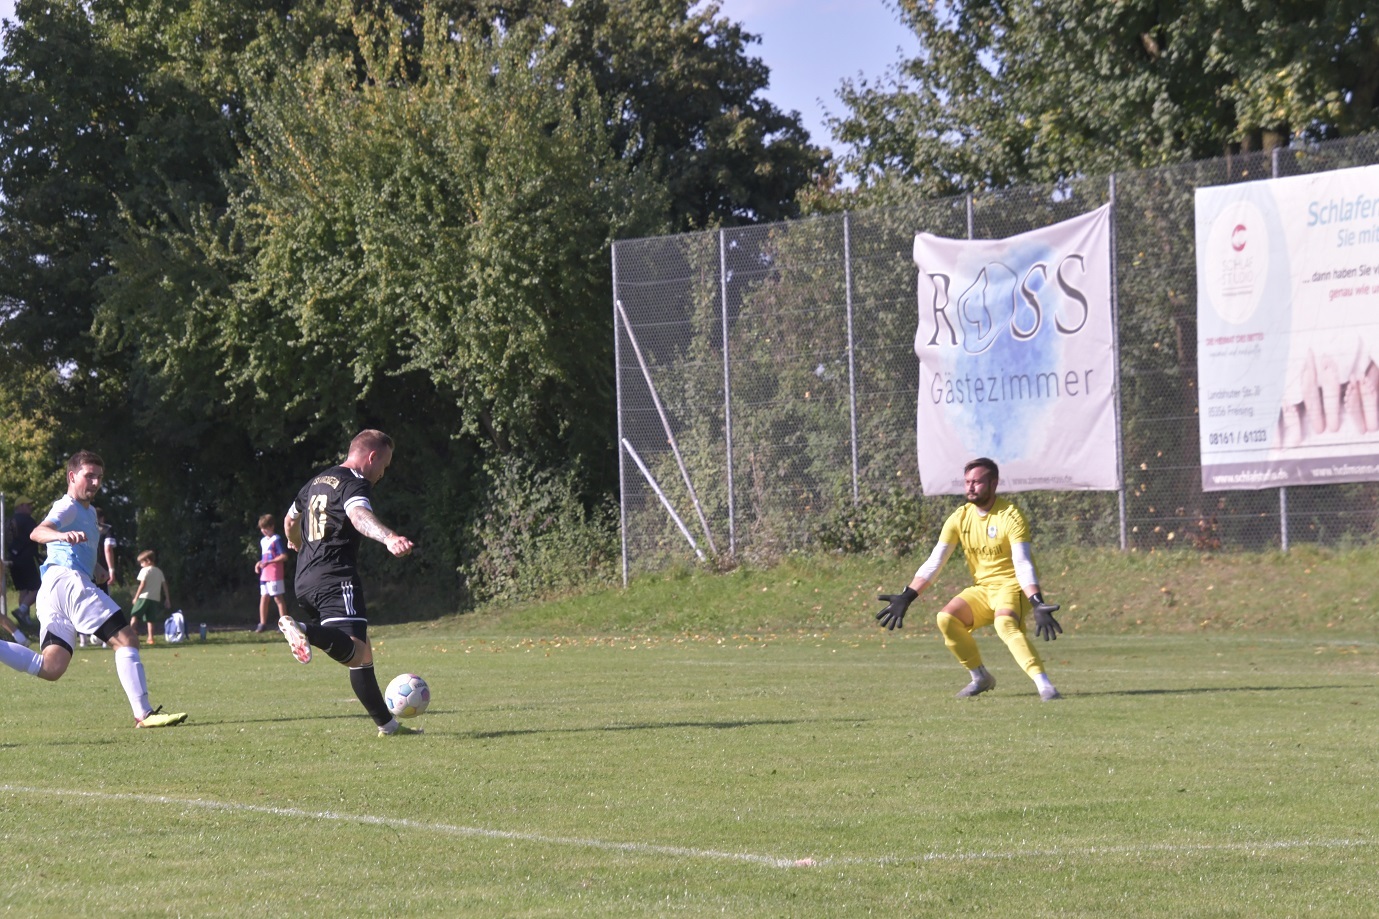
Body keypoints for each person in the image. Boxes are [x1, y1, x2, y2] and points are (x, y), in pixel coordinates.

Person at [0, 451, 186, 727]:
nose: (96, 482)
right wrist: (61, 535)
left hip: (51, 589)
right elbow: (38, 532)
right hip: (68, 582)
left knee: (51, 667)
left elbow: (76, 551)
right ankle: (144, 714)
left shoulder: (87, 513)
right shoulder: (69, 507)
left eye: (99, 477)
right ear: (72, 476)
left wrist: (97, 569)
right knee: (126, 639)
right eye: (89, 476)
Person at [875, 457, 1064, 701]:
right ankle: (980, 677)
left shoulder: (1010, 515)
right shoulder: (960, 518)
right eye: (967, 482)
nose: (970, 487)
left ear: (993, 483)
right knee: (946, 619)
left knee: (1004, 625)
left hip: (1012, 586)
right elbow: (935, 561)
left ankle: (1045, 686)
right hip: (983, 589)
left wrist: (1036, 601)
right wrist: (908, 595)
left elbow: (1022, 562)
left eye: (977, 482)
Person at [278, 429, 421, 737]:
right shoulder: (354, 482)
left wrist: (297, 543)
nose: (382, 474)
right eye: (384, 466)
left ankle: (388, 726)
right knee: (355, 652)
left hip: (304, 580)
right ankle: (300, 629)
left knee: (363, 655)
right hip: (336, 577)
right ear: (372, 457)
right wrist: (389, 537)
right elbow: (358, 515)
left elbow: (290, 521)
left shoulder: (316, 481)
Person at [4, 497, 41, 634]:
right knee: (39, 587)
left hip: (13, 559)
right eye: (28, 505)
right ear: (20, 506)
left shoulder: (8, 521)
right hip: (26, 558)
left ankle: (25, 621)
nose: (31, 507)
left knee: (23, 590)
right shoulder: (27, 520)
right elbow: (36, 536)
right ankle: (22, 610)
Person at [253, 514, 288, 632]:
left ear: (272, 527)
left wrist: (269, 562)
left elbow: (283, 556)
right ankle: (262, 624)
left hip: (274, 572)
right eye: (262, 528)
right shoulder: (263, 541)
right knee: (264, 598)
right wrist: (259, 563)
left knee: (278, 598)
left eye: (265, 528)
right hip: (265, 574)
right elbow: (265, 557)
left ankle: (284, 624)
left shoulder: (276, 539)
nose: (263, 531)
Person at [129, 549, 171, 646]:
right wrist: (167, 599)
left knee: (135, 615)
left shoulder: (145, 570)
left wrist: (136, 597)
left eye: (142, 562)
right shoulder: (159, 571)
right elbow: (164, 585)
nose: (141, 565)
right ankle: (150, 638)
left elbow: (142, 584)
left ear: (147, 561)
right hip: (155, 598)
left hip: (143, 597)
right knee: (150, 619)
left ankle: (130, 635)